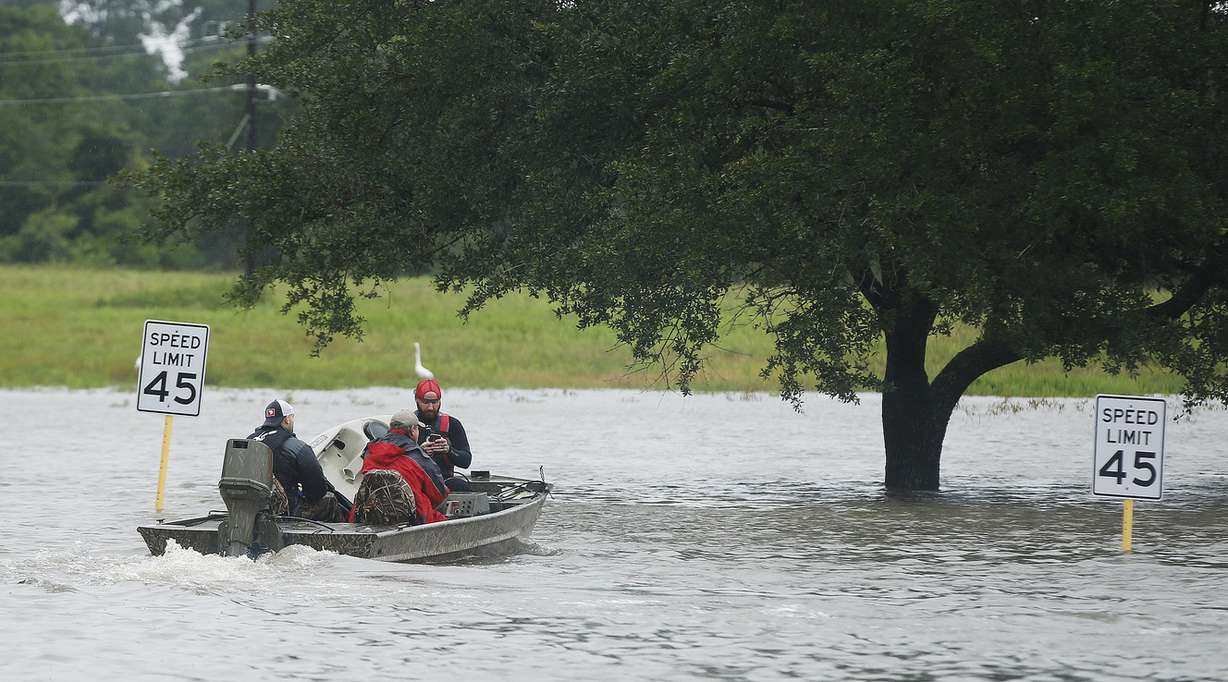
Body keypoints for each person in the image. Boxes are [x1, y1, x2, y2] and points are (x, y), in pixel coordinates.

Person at [247, 399, 349, 520]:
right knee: (329, 499)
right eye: (292, 417)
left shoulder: (249, 441)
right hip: (286, 513)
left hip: (251, 507)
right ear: (287, 419)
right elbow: (317, 491)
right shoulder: (298, 447)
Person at [349, 409, 449, 524]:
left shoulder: (370, 451)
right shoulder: (418, 457)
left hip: (368, 516)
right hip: (413, 519)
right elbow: (439, 496)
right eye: (417, 428)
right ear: (412, 430)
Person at [413, 379, 473, 491]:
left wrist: (449, 450)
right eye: (426, 402)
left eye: (434, 402)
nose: (430, 407)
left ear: (440, 401)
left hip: (444, 480)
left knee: (462, 486)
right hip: (414, 480)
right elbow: (394, 459)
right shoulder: (407, 424)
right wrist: (419, 453)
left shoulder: (453, 424)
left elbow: (466, 461)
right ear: (417, 400)